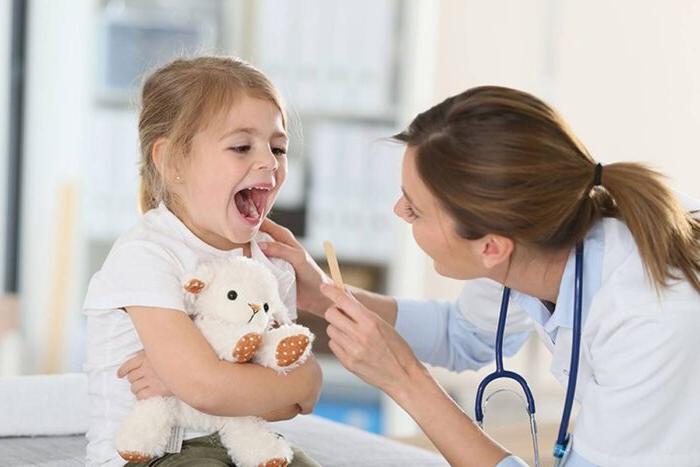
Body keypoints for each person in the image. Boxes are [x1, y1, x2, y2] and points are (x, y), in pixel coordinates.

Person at [257, 86, 700, 466]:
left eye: (415, 207)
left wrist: (403, 379)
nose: (398, 211)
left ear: (491, 247)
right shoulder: (533, 230)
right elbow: (464, 335)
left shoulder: (650, 318)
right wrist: (323, 295)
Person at [82, 56, 322, 467]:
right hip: (153, 454)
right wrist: (278, 383)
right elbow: (210, 386)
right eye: (242, 146)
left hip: (243, 444)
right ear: (173, 160)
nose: (269, 162)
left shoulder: (270, 261)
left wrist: (302, 381)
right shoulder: (146, 253)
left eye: (278, 148)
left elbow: (294, 400)